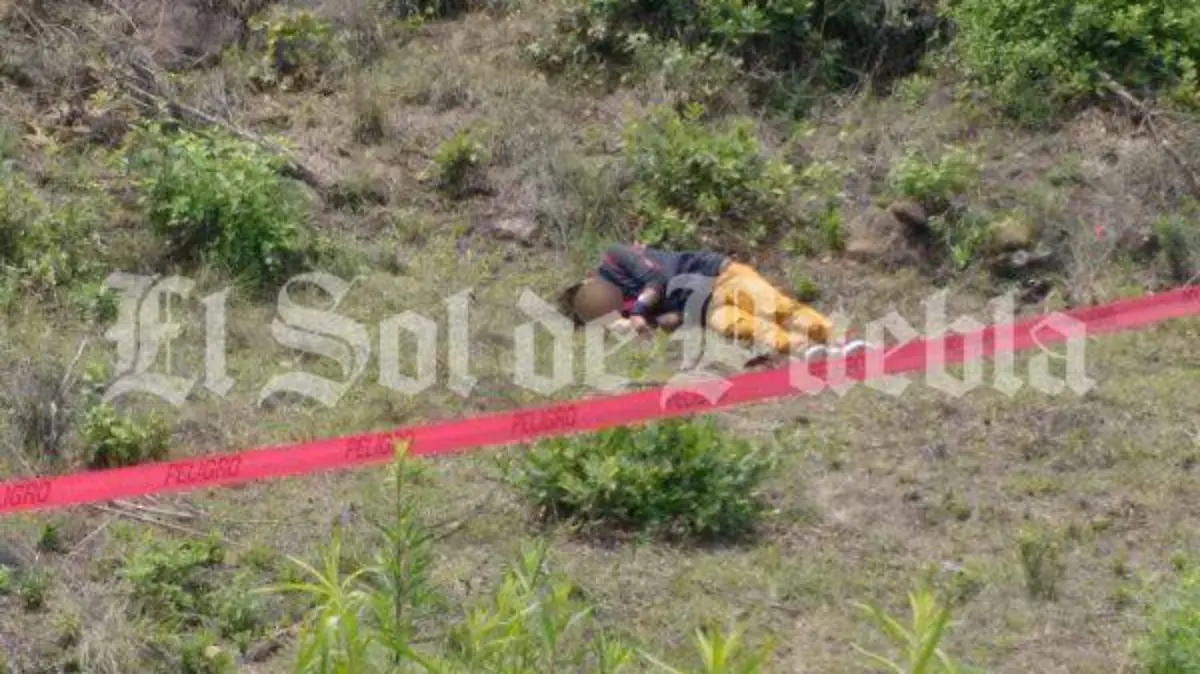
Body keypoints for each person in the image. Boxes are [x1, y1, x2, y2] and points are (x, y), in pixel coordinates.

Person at [560, 243, 864, 364]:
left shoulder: (616, 258)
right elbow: (676, 320)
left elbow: (658, 278)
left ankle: (839, 339)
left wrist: (640, 312)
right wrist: (648, 325)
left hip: (719, 275)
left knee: (776, 308)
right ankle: (809, 352)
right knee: (748, 330)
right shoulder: (623, 310)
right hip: (706, 310)